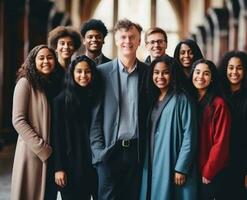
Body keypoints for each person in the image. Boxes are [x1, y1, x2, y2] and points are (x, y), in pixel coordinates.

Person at [90, 19, 148, 200]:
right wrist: (99, 151)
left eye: (132, 37)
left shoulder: (148, 73)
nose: (127, 41)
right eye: (123, 37)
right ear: (116, 40)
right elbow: (95, 117)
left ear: (139, 41)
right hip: (109, 150)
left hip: (137, 152)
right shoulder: (101, 72)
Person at [140, 55, 198, 200]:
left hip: (172, 160)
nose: (160, 76)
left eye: (165, 72)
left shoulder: (182, 99)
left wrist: (181, 167)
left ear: (173, 74)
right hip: (153, 159)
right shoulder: (153, 99)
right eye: (156, 72)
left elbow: (190, 135)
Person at [11, 45, 58, 200]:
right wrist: (41, 147)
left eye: (50, 57)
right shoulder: (25, 83)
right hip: (32, 153)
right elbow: (18, 120)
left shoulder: (53, 84)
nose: (46, 61)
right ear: (33, 61)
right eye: (41, 58)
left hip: (52, 153)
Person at [218, 51, 247, 200]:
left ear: (246, 71)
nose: (234, 72)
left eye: (239, 68)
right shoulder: (219, 95)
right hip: (219, 166)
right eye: (230, 68)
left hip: (242, 166)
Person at [52, 55, 99, 200]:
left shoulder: (97, 97)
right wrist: (59, 168)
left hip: (95, 163)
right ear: (72, 73)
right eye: (79, 71)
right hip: (72, 164)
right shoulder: (61, 100)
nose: (83, 75)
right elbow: (57, 136)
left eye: (87, 71)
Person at [190, 59, 231, 199]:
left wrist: (209, 170)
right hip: (190, 169)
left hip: (207, 170)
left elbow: (221, 142)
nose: (201, 77)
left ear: (212, 79)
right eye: (197, 72)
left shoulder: (218, 104)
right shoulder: (188, 100)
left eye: (206, 73)